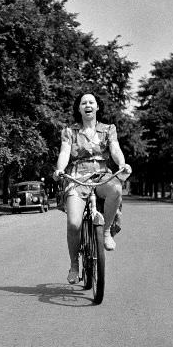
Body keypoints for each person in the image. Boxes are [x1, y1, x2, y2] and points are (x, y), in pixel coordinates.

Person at [53, 92, 132, 284]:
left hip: (101, 175)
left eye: (91, 102)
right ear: (79, 108)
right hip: (77, 177)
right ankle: (74, 265)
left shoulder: (108, 129)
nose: (88, 105)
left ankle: (105, 232)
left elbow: (115, 148)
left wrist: (122, 163)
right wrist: (60, 169)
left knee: (116, 189)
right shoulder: (69, 132)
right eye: (83, 103)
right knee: (74, 224)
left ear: (97, 107)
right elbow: (64, 152)